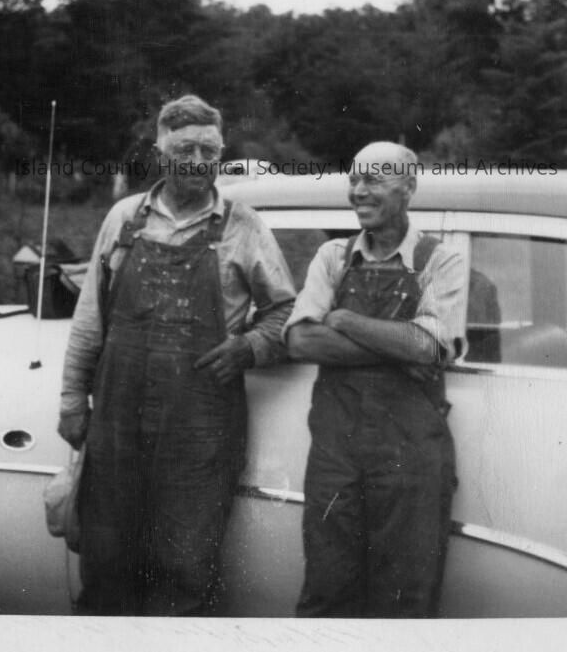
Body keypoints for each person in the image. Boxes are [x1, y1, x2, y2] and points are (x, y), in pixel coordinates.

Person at [58, 95, 296, 616]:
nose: (197, 161)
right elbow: (89, 318)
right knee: (106, 560)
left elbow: (285, 312)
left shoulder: (245, 226)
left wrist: (250, 346)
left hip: (200, 429)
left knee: (185, 567)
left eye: (209, 150)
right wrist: (73, 398)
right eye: (185, 149)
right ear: (160, 154)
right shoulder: (124, 219)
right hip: (116, 422)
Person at [284, 141, 466, 618]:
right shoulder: (332, 255)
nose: (359, 191)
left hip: (410, 459)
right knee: (327, 592)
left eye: (374, 179)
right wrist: (399, 348)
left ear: (409, 188)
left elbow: (430, 347)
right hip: (335, 456)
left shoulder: (439, 260)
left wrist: (344, 319)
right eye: (354, 179)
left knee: (405, 602)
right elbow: (300, 341)